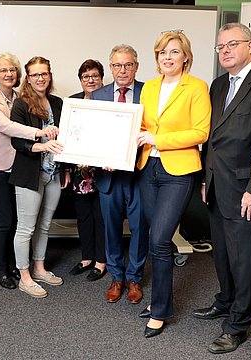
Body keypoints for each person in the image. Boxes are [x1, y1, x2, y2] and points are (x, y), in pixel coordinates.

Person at [194, 22, 251, 354]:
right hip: (217, 184)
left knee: (246, 260)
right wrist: (205, 177)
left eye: (233, 44)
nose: (226, 51)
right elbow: (212, 139)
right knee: (222, 254)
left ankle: (238, 325)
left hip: (247, 188)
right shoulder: (218, 85)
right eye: (221, 47)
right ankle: (226, 300)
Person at [136, 31, 211, 338]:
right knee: (160, 240)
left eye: (174, 52)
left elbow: (201, 132)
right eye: (162, 53)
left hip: (178, 171)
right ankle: (159, 302)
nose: (167, 57)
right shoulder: (150, 87)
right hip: (147, 168)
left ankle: (161, 310)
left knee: (158, 238)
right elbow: (139, 126)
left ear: (185, 57)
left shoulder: (196, 86)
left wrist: (159, 140)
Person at [0, 53, 55, 289]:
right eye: (3, 70)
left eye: (12, 69)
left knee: (20, 221)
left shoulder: (23, 98)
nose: (9, 74)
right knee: (5, 220)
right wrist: (40, 135)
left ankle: (16, 265)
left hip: (24, 165)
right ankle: (1, 269)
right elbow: (9, 127)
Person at [91, 44, 148, 304]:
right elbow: (94, 135)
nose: (122, 70)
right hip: (108, 175)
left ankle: (134, 278)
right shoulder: (98, 95)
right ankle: (116, 276)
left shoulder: (150, 92)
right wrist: (100, 158)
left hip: (139, 174)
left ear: (136, 66)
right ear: (110, 67)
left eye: (127, 64)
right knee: (111, 228)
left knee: (139, 228)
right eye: (117, 65)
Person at [9, 56, 70, 298]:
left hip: (53, 174)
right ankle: (25, 277)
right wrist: (44, 146)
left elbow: (67, 138)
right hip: (29, 174)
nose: (40, 78)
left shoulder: (57, 102)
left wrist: (64, 169)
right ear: (28, 77)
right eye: (35, 75)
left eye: (44, 73)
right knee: (26, 228)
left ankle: (39, 268)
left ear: (50, 75)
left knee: (45, 226)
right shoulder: (21, 104)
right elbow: (17, 142)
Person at [68, 59, 107, 281]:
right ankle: (86, 258)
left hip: (104, 169)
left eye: (94, 76)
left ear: (101, 78)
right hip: (79, 171)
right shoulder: (72, 102)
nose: (90, 80)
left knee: (100, 216)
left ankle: (101, 261)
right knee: (83, 215)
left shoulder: (109, 100)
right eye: (86, 77)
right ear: (80, 80)